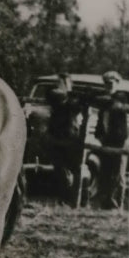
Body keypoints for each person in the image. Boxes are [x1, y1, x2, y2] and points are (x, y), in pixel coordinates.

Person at [45, 73, 84, 204]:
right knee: (59, 169)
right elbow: (50, 95)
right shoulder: (55, 97)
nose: (62, 86)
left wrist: (70, 94)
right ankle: (62, 198)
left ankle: (70, 199)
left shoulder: (74, 99)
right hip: (56, 136)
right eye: (60, 83)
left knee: (71, 169)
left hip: (69, 137)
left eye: (65, 83)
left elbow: (76, 107)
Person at [95, 71, 129, 210]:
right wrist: (100, 134)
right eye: (106, 83)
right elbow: (101, 119)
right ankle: (107, 201)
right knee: (106, 170)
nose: (108, 86)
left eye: (111, 83)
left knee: (118, 171)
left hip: (119, 139)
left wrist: (101, 99)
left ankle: (118, 203)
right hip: (107, 139)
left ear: (117, 83)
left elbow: (115, 103)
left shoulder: (121, 96)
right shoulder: (104, 100)